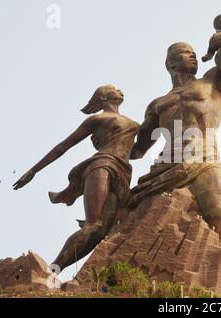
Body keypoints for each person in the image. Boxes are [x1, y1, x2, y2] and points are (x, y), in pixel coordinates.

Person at [129, 32, 221, 244]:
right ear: (171, 62)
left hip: (204, 159)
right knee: (133, 217)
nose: (193, 55)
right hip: (166, 165)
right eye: (186, 53)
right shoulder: (157, 104)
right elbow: (137, 151)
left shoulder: (214, 80)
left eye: (194, 53)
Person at [13, 85, 139, 272]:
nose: (120, 90)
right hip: (102, 166)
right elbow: (63, 146)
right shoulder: (97, 119)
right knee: (93, 225)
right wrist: (34, 170)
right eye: (114, 89)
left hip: (124, 173)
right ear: (103, 98)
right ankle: (53, 270)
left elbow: (136, 152)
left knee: (102, 232)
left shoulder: (132, 123)